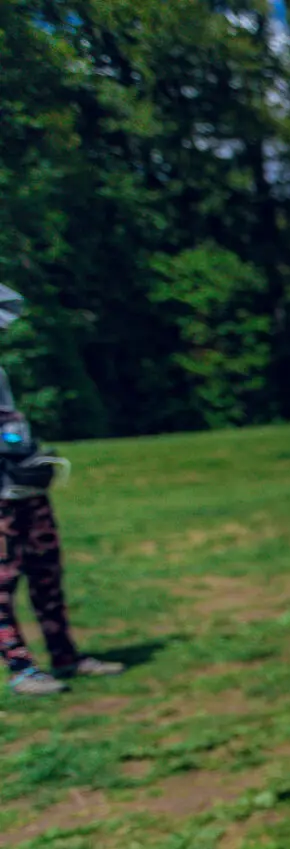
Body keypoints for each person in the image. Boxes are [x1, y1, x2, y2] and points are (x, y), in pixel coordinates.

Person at [0, 289, 123, 698]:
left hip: (24, 487)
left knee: (46, 573)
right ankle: (21, 670)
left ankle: (65, 655)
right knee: (2, 584)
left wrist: (26, 453)